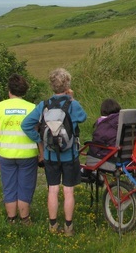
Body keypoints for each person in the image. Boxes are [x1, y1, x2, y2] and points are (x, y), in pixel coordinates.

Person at [22, 68, 87, 236]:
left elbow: (26, 124)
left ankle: (52, 225)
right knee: (68, 190)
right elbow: (83, 117)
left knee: (53, 189)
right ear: (67, 85)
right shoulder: (73, 104)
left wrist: (40, 140)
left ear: (51, 85)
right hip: (70, 154)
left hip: (50, 154)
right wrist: (71, 98)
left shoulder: (43, 105)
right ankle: (68, 227)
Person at [0, 74, 39, 225]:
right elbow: (37, 133)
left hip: (6, 154)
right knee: (26, 185)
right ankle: (25, 218)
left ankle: (11, 218)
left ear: (9, 90)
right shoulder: (33, 108)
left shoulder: (0, 107)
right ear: (24, 90)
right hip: (28, 154)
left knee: (9, 186)